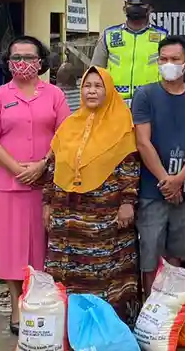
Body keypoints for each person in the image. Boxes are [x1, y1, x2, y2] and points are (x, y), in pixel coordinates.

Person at [0, 35, 70, 334]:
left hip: (46, 183)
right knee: (11, 248)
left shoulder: (54, 94)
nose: (23, 63)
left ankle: (42, 302)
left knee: (43, 245)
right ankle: (17, 307)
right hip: (8, 183)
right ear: (7, 61)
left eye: (30, 58)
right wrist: (18, 169)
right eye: (17, 57)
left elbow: (65, 135)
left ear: (41, 61)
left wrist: (44, 163)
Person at [44, 66, 141, 323]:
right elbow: (53, 168)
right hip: (68, 216)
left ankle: (105, 327)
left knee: (104, 274)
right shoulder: (68, 125)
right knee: (67, 273)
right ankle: (69, 325)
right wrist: (47, 204)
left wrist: (127, 203)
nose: (92, 91)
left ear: (108, 90)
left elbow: (129, 168)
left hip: (105, 217)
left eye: (98, 86)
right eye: (87, 85)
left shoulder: (122, 126)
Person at [132, 37, 185, 288]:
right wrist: (166, 182)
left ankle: (175, 311)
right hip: (151, 191)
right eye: (163, 59)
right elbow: (143, 142)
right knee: (150, 256)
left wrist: (179, 180)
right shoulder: (144, 95)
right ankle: (150, 313)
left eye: (175, 59)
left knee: (179, 256)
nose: (169, 64)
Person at [90, 0, 169, 105]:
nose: (135, 8)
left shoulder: (163, 37)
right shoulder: (109, 36)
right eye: (132, 4)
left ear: (150, 8)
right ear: (124, 7)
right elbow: (95, 72)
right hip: (115, 103)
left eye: (141, 5)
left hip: (151, 103)